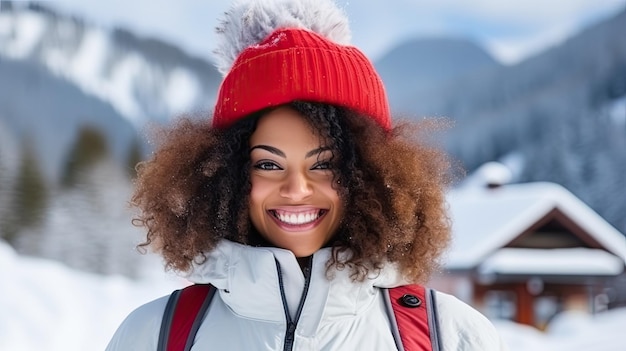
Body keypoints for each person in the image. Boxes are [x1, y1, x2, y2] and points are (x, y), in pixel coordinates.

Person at [105, 0, 508, 350]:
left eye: (324, 164)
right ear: (222, 177)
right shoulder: (153, 336)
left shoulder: (451, 337)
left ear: (370, 177)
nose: (296, 189)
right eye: (267, 164)